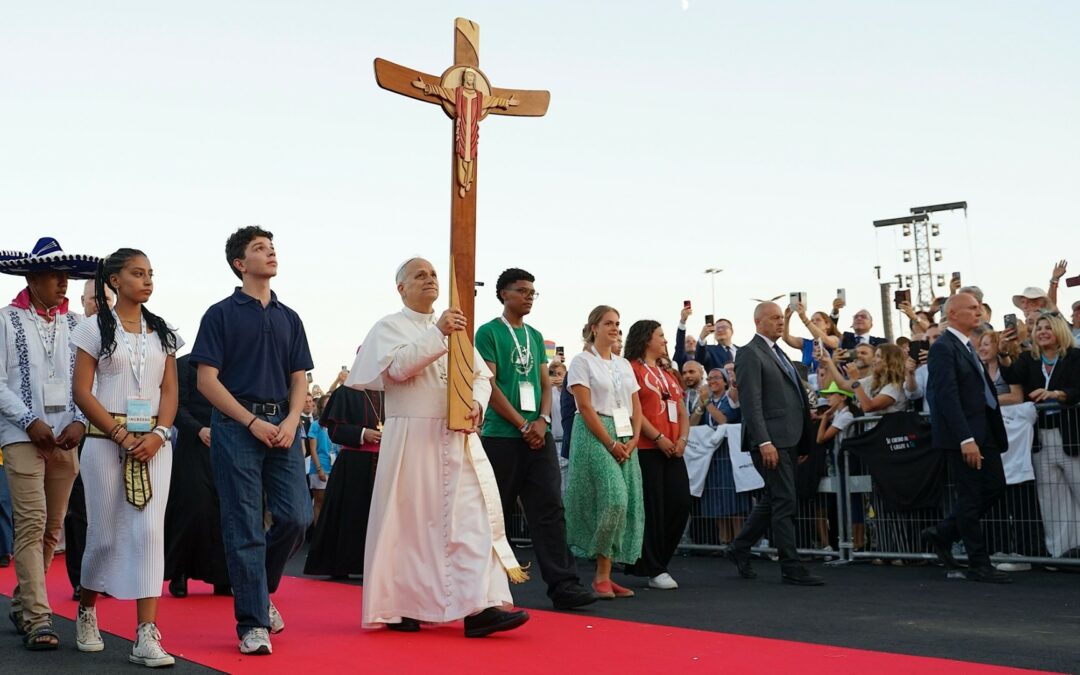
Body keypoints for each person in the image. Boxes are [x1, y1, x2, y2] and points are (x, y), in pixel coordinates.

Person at [346, 257, 529, 637]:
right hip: (412, 437)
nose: (430, 279)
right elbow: (398, 369)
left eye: (432, 274)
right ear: (401, 287)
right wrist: (438, 335)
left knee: (472, 519)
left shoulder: (454, 326)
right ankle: (403, 605)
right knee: (412, 526)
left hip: (457, 436)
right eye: (420, 275)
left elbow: (482, 375)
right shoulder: (390, 326)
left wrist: (476, 403)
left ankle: (481, 606)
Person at [191, 226, 314, 654]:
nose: (271, 253)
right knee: (243, 524)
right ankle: (251, 623)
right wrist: (249, 423)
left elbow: (300, 378)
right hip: (235, 427)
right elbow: (206, 381)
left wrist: (293, 420)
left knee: (297, 517)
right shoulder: (220, 314)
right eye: (260, 249)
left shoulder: (289, 317)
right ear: (240, 264)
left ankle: (258, 592)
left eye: (272, 247)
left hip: (284, 424)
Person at [70, 248, 181, 667]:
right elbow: (82, 390)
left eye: (151, 273)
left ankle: (146, 634)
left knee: (150, 532)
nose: (148, 281)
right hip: (103, 440)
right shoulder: (92, 329)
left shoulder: (165, 332)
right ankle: (86, 609)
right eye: (138, 274)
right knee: (103, 533)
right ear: (115, 281)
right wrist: (117, 432)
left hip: (154, 444)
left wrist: (158, 433)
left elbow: (170, 391)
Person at [474, 268, 596, 609]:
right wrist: (521, 424)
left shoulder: (535, 335)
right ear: (503, 294)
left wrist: (541, 419)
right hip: (501, 436)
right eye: (522, 290)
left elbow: (545, 383)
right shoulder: (487, 333)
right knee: (495, 514)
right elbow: (489, 384)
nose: (529, 296)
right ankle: (487, 591)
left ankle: (564, 586)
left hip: (537, 436)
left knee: (549, 510)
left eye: (532, 291)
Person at [0, 237, 95, 649]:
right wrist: (28, 420)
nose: (63, 283)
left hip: (66, 437)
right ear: (31, 277)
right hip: (21, 435)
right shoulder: (5, 320)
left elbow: (90, 383)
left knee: (52, 529)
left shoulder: (77, 325)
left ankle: (24, 602)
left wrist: (79, 422)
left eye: (66, 276)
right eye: (55, 275)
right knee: (33, 522)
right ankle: (40, 618)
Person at [725, 302, 823, 586]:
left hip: (790, 439)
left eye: (782, 318)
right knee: (784, 501)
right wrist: (764, 441)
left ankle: (739, 547)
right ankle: (791, 566)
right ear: (758, 322)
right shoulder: (749, 353)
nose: (781, 322)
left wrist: (803, 442)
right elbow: (751, 403)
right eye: (775, 318)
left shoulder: (779, 352)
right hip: (771, 441)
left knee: (773, 499)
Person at [921, 293, 1011, 583]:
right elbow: (946, 396)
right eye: (972, 308)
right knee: (970, 497)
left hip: (985, 432)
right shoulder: (944, 348)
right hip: (965, 436)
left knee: (995, 486)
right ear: (954, 314)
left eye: (979, 307)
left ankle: (944, 531)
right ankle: (978, 563)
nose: (979, 312)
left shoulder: (968, 346)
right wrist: (965, 439)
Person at [564, 305, 644, 599]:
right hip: (594, 433)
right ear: (594, 327)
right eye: (609, 323)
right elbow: (584, 406)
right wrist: (610, 443)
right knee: (614, 499)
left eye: (618, 323)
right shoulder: (581, 361)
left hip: (623, 434)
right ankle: (595, 567)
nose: (615, 328)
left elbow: (636, 404)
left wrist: (634, 438)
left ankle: (605, 575)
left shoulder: (624, 365)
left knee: (628, 503)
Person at [1002, 312, 1080, 558]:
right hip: (1040, 439)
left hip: (1070, 435)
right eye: (1038, 327)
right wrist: (1004, 353)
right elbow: (1012, 377)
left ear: (1060, 330)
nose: (1042, 331)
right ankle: (1062, 554)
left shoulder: (1076, 357)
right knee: (1052, 501)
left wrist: (1057, 394)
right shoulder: (1028, 359)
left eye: (1048, 327)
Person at [621, 320, 690, 590]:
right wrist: (658, 437)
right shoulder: (631, 369)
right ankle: (654, 567)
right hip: (648, 449)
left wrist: (682, 439)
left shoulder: (669, 374)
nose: (665, 340)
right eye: (660, 335)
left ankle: (660, 561)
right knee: (652, 509)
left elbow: (682, 410)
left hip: (674, 450)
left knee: (680, 503)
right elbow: (631, 409)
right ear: (646, 338)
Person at [163, 353, 231, 598]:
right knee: (192, 509)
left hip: (229, 445)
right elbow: (175, 405)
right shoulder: (183, 364)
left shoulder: (232, 363)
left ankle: (224, 577)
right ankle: (179, 572)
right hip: (193, 446)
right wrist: (198, 430)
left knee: (226, 511)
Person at [65, 278, 114, 600]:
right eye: (92, 298)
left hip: (116, 431)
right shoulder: (73, 336)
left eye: (104, 297)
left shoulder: (124, 336)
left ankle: (108, 575)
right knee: (80, 509)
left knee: (113, 508)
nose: (98, 302)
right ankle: (82, 580)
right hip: (79, 429)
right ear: (82, 302)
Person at [303, 377, 381, 578]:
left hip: (385, 463)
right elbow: (335, 431)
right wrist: (362, 433)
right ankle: (342, 565)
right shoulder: (346, 392)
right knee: (349, 515)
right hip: (354, 464)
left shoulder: (391, 390)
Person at [822, 344, 908, 415]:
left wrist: (854, 380)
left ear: (890, 360)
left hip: (887, 433)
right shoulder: (872, 380)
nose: (874, 360)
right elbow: (843, 385)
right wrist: (829, 361)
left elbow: (868, 407)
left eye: (878, 356)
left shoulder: (895, 386)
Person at [781, 303, 841, 371]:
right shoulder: (806, 343)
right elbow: (786, 338)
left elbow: (824, 340)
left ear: (827, 325)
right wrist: (786, 318)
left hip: (831, 381)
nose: (814, 322)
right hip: (808, 380)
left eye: (818, 320)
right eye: (812, 320)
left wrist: (805, 319)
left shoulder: (835, 339)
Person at [306, 395, 335, 526]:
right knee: (319, 502)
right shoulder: (315, 425)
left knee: (332, 503)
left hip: (334, 467)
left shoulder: (338, 425)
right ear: (321, 407)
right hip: (320, 468)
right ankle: (317, 536)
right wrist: (319, 469)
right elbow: (312, 450)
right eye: (327, 404)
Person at [549, 361, 569, 494]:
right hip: (554, 442)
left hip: (568, 442)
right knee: (558, 485)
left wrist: (566, 386)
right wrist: (546, 384)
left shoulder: (571, 391)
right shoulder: (548, 393)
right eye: (553, 374)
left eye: (561, 374)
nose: (557, 377)